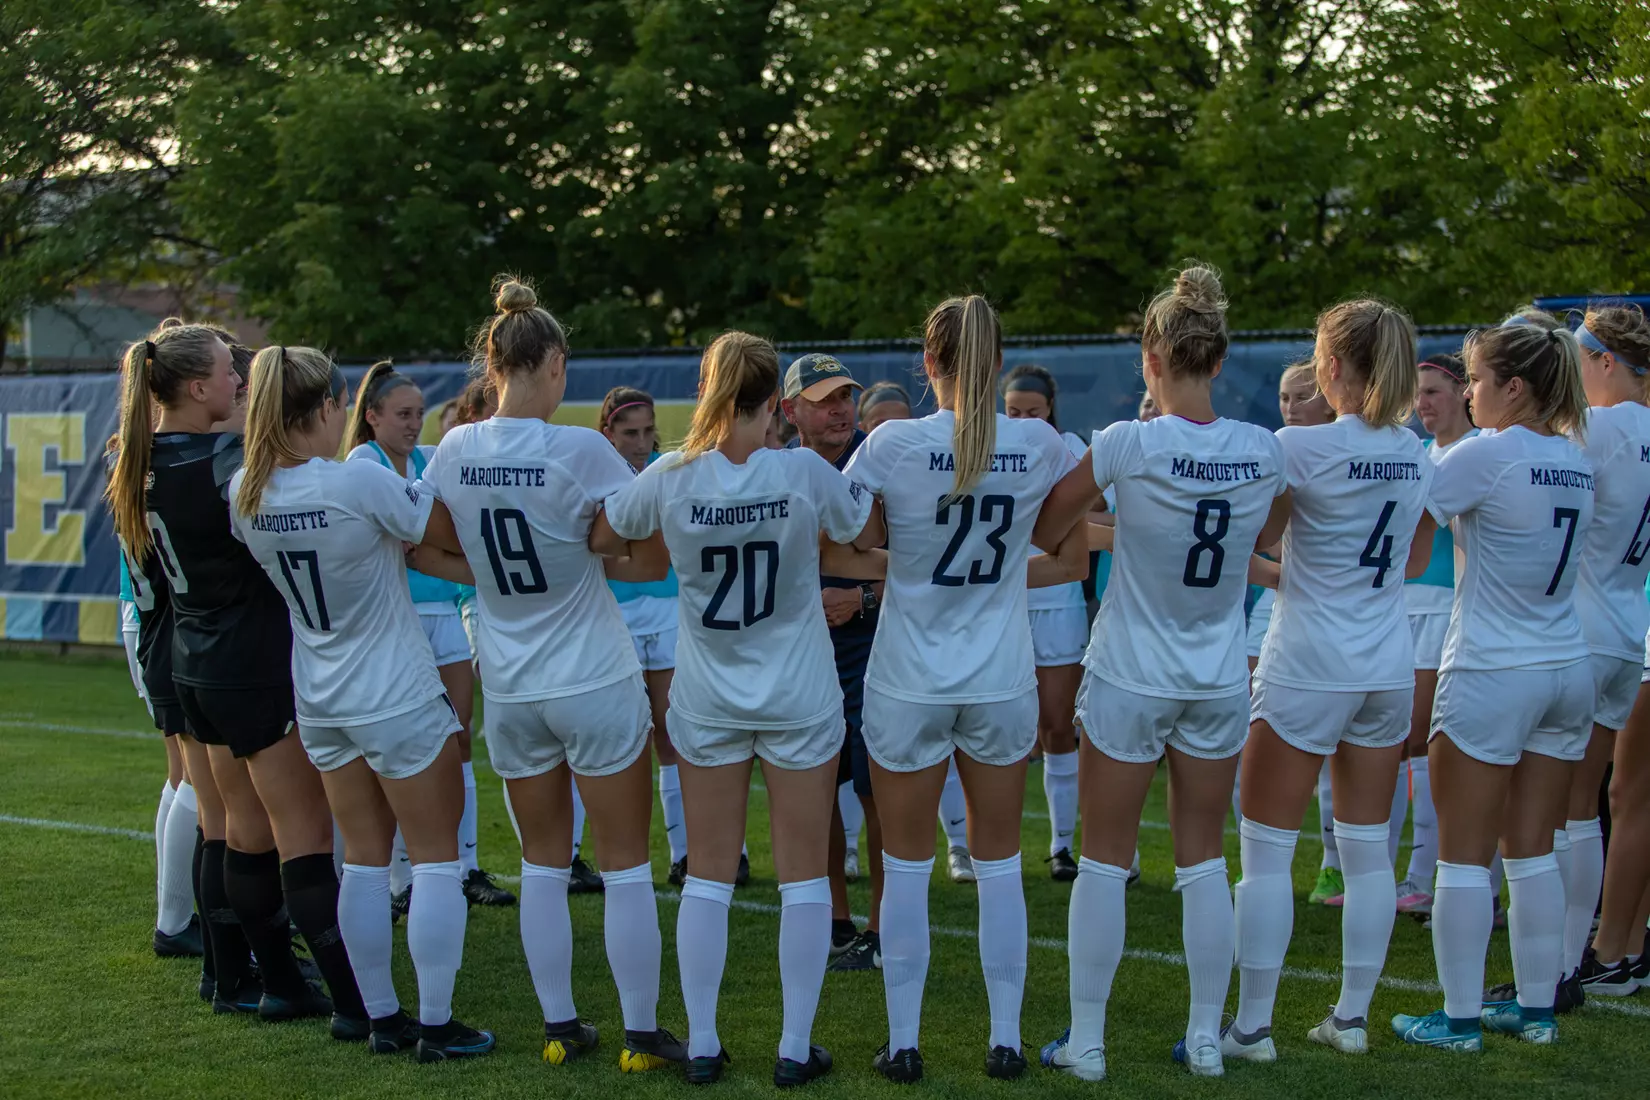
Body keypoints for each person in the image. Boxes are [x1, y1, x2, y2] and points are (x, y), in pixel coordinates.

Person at [415, 277, 685, 1072]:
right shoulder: (581, 447)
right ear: (555, 362)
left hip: (511, 682)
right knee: (627, 859)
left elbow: (429, 548)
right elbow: (637, 548)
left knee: (540, 860)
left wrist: (498, 576)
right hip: (592, 675)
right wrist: (595, 553)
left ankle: (561, 1027)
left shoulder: (455, 447)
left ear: (493, 362)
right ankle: (641, 1031)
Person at [600, 332, 884, 1086]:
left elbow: (612, 525)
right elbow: (861, 524)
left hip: (708, 695)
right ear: (774, 404)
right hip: (797, 692)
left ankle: (701, 1043)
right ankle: (793, 1048)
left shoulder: (671, 472)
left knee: (708, 876)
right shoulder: (800, 471)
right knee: (801, 880)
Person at [1035, 265, 1291, 1080]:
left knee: (1105, 860)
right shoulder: (1262, 449)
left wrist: (1124, 517)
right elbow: (1269, 540)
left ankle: (1088, 1042)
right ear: (1218, 361)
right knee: (1205, 859)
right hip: (1215, 673)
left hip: (1131, 671)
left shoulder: (1126, 441)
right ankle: (1209, 1038)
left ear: (1152, 358)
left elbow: (1049, 524)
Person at [842, 294, 1089, 1083]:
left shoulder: (893, 441)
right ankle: (1006, 1039)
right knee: (998, 862)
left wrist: (903, 563)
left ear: (929, 363)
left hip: (910, 676)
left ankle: (905, 1041)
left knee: (908, 866)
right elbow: (1069, 547)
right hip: (997, 676)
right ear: (997, 363)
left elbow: (847, 539)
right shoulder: (1038, 440)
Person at [229, 346, 494, 1061]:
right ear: (323, 410)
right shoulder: (351, 484)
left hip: (320, 694)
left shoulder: (245, 493)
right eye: (342, 406)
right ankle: (436, 1023)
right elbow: (438, 531)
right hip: (394, 689)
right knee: (437, 859)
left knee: (367, 861)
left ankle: (378, 1016)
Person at [104, 322, 367, 1032]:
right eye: (228, 373)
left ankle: (230, 971)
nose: (240, 384)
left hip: (191, 653)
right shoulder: (221, 460)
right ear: (196, 388)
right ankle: (309, 985)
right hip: (244, 656)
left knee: (228, 825)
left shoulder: (141, 455)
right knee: (290, 830)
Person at [1228, 300, 1433, 1061]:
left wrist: (1291, 579)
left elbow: (1256, 538)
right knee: (1369, 850)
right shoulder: (1416, 451)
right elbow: (1411, 560)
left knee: (1267, 851)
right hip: (1385, 662)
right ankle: (1350, 1017)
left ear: (1335, 366)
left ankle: (1251, 1027)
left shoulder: (1300, 446)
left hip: (1310, 661)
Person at [1391, 320, 1594, 1050]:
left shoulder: (1489, 451)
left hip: (1494, 667)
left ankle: (1460, 1019)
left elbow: (1406, 518)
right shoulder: (1572, 455)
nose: (1468, 394)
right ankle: (1536, 1010)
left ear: (1514, 386)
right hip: (1564, 664)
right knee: (1534, 848)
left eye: (1475, 380)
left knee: (1465, 856)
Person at [345, 363, 514, 909]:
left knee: (458, 738)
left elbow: (449, 536)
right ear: (371, 417)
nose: (414, 425)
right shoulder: (362, 465)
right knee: (395, 754)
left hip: (443, 611)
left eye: (418, 414)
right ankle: (402, 879)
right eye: (402, 415)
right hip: (397, 619)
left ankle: (465, 866)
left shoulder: (424, 461)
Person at [597, 386, 735, 890]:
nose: (640, 442)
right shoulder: (598, 474)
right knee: (622, 737)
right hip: (615, 616)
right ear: (606, 432)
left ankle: (689, 853)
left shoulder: (671, 470)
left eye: (647, 430)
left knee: (674, 730)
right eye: (628, 432)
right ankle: (592, 857)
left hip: (670, 609)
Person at [781, 353, 886, 971]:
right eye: (824, 398)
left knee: (879, 791)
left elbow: (924, 562)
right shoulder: (777, 468)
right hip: (803, 652)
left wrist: (863, 595)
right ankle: (835, 920)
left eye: (846, 395)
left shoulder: (880, 460)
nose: (841, 407)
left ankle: (880, 926)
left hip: (875, 648)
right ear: (790, 410)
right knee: (813, 792)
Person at [1561, 304, 1650, 997]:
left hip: (1583, 627)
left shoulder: (1598, 426)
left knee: (1561, 810)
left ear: (1605, 362)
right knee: (1599, 801)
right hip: (1627, 624)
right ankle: (1604, 951)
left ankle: (1560, 964)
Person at [1394, 353, 1477, 918]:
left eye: (1433, 392)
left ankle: (1424, 876)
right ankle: (1413, 873)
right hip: (1406, 608)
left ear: (1463, 392)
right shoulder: (1421, 454)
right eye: (1417, 394)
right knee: (1406, 741)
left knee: (1425, 740)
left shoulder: (1478, 453)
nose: (1423, 404)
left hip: (1451, 609)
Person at [1003, 363, 1092, 882]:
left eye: (1031, 412)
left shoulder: (1072, 447)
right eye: (1012, 411)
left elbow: (1093, 520)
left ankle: (1061, 846)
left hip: (1057, 596)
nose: (1021, 420)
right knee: (1005, 728)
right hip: (1005, 598)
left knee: (1058, 725)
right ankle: (985, 847)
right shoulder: (989, 444)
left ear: (1050, 410)